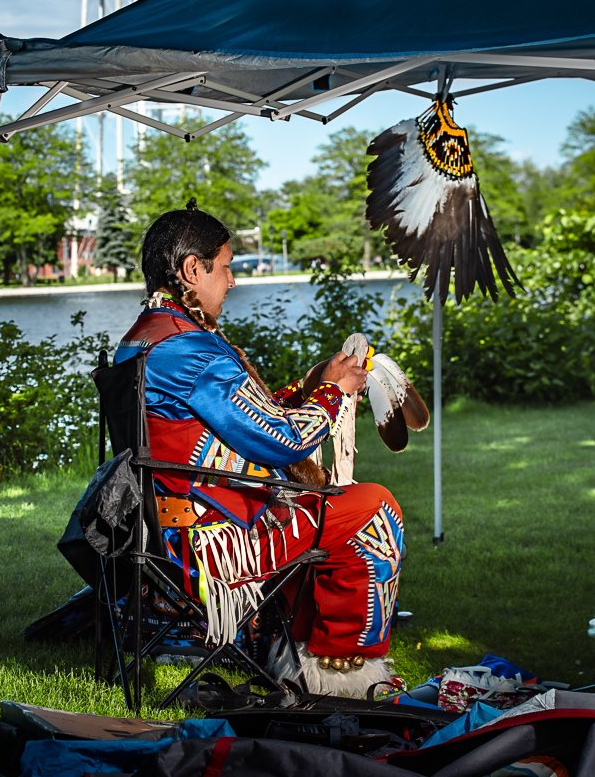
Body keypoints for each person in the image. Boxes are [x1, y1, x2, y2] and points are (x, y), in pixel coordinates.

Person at [114, 201, 404, 697]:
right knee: (372, 510)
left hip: (169, 526)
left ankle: (293, 651)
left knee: (324, 506)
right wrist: (332, 393)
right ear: (192, 270)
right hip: (212, 542)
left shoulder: (144, 339)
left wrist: (314, 383)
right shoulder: (190, 351)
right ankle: (340, 672)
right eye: (224, 268)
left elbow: (248, 414)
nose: (231, 281)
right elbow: (282, 439)